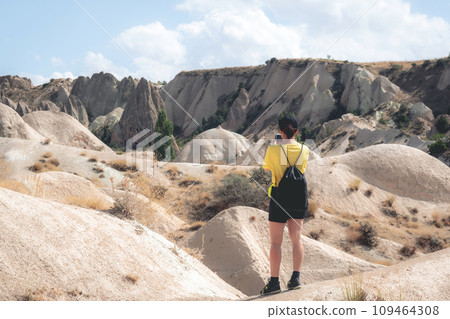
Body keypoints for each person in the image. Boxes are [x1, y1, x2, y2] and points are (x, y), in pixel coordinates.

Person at [260, 114, 310, 295]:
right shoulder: (305, 150)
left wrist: (278, 147)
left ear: (280, 131)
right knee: (296, 239)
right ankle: (295, 278)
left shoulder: (273, 150)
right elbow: (301, 169)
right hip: (298, 198)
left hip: (279, 197)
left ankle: (274, 282)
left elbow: (266, 168)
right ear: (296, 131)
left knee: (276, 242)